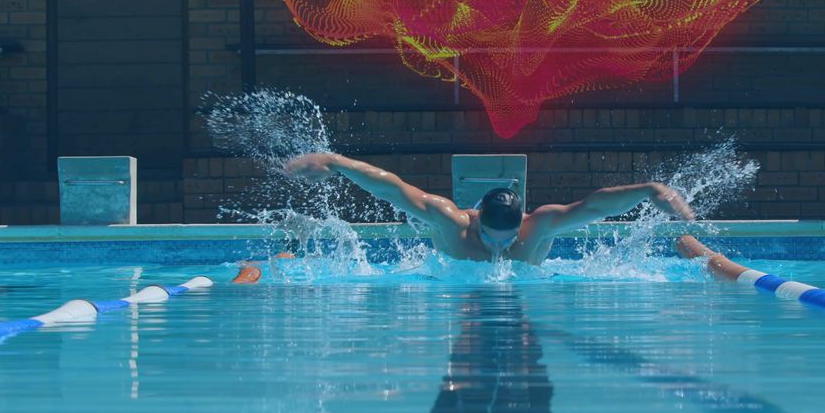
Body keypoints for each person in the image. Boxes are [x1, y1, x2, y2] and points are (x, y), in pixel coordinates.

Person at [284, 152, 695, 264]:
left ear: (521, 225)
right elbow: (393, 187)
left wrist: (649, 189)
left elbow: (593, 206)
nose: (499, 249)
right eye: (488, 238)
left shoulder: (539, 226)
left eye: (508, 240)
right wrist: (335, 162)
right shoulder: (451, 222)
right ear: (476, 219)